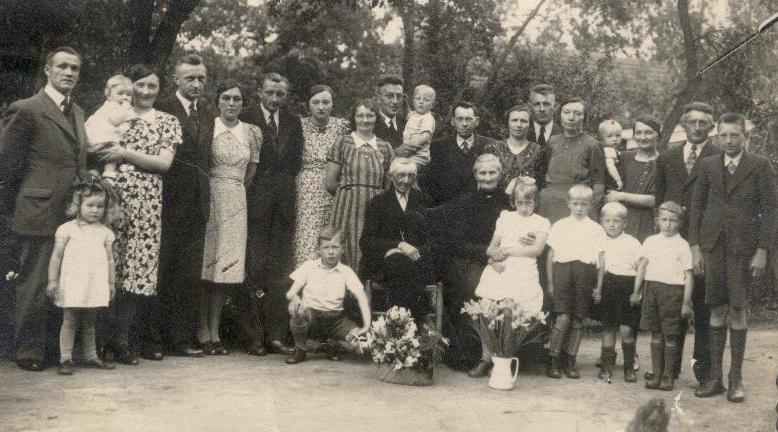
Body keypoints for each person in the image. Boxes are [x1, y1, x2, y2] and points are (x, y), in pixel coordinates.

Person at [0, 46, 88, 371]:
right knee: (35, 283)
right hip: (37, 211)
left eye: (75, 68)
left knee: (61, 282)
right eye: (63, 66)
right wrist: (18, 207)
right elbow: (7, 167)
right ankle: (28, 352)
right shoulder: (27, 109)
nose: (69, 73)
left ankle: (53, 349)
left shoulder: (77, 111)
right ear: (48, 71)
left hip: (70, 213)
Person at [96, 64, 181, 364]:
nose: (145, 92)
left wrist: (125, 155)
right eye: (140, 86)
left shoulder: (167, 121)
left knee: (137, 271)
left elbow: (163, 164)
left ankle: (121, 340)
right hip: (115, 198)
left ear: (159, 90)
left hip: (147, 202)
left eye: (152, 87)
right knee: (110, 265)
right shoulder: (115, 115)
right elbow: (97, 147)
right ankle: (100, 342)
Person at [691, 112, 777, 403]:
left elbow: (771, 209)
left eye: (734, 135)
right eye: (723, 136)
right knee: (716, 309)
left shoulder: (760, 165)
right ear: (717, 137)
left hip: (744, 250)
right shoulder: (708, 164)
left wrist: (763, 250)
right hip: (712, 246)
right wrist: (695, 248)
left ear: (745, 137)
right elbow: (697, 208)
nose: (728, 141)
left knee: (738, 311)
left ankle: (735, 378)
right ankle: (715, 376)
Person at [654, 101, 719, 384]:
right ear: (683, 124)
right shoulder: (667, 157)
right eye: (692, 122)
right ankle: (670, 370)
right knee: (672, 306)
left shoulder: (718, 156)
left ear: (711, 126)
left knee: (703, 307)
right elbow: (659, 200)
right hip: (673, 243)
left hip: (704, 244)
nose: (697, 128)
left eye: (703, 123)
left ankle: (704, 372)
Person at [239, 72, 303, 355]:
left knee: (280, 273)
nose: (275, 99)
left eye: (280, 94)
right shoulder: (245, 117)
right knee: (254, 269)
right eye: (270, 93)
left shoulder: (292, 122)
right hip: (254, 206)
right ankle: (253, 336)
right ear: (260, 92)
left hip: (284, 207)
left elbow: (294, 164)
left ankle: (276, 334)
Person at [154, 53, 213, 357]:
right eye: (190, 78)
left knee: (189, 275)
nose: (196, 83)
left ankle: (180, 339)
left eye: (201, 78)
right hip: (168, 201)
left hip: (198, 204)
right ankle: (155, 340)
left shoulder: (207, 112)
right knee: (163, 269)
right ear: (176, 79)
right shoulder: (162, 108)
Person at [198, 79, 262, 356]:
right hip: (210, 196)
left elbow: (251, 174)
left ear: (243, 103)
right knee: (207, 266)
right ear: (218, 101)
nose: (232, 103)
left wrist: (233, 189)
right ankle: (203, 330)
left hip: (237, 199)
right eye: (226, 98)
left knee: (227, 267)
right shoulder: (208, 126)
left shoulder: (252, 132)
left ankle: (216, 330)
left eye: (237, 99)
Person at [431, 154, 510, 371]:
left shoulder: (509, 202)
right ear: (475, 175)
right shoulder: (463, 202)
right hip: (471, 260)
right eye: (482, 173)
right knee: (472, 289)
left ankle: (504, 353)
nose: (487, 178)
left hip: (503, 259)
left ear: (500, 174)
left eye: (492, 172)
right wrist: (486, 253)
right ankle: (477, 355)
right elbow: (456, 243)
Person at [468, 177, 550, 378]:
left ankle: (503, 360)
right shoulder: (505, 217)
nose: (524, 207)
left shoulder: (541, 222)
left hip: (523, 270)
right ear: (514, 202)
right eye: (520, 203)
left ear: (535, 202)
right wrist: (492, 259)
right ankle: (485, 359)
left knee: (511, 314)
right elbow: (492, 247)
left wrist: (509, 250)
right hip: (501, 268)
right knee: (488, 311)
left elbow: (537, 251)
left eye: (528, 203)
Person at [47, 177, 117, 375]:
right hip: (73, 283)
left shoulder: (105, 233)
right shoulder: (67, 230)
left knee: (89, 322)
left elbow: (110, 261)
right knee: (69, 320)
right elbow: (57, 256)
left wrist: (111, 283)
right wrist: (53, 280)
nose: (95, 210)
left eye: (100, 206)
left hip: (94, 283)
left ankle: (91, 356)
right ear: (78, 205)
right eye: (90, 205)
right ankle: (66, 358)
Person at [284, 227, 371, 364]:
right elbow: (290, 293)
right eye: (326, 247)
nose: (331, 252)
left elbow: (362, 298)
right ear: (319, 249)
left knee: (360, 344)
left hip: (335, 320)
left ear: (342, 248)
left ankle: (334, 345)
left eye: (335, 247)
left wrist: (366, 326)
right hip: (311, 317)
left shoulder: (346, 271)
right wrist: (296, 299)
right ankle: (300, 350)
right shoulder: (309, 266)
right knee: (297, 309)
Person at [325, 98, 394, 270]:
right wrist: (350, 194)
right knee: (344, 248)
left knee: (370, 248)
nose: (364, 120)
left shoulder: (384, 146)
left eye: (369, 116)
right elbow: (330, 182)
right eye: (360, 115)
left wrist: (373, 198)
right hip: (346, 207)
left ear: (376, 118)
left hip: (374, 207)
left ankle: (367, 293)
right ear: (354, 118)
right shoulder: (343, 142)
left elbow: (386, 185)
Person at [545, 185, 606, 379]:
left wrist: (598, 285)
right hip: (563, 273)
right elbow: (551, 256)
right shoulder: (560, 225)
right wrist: (550, 283)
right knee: (562, 318)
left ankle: (570, 359)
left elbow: (601, 260)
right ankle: (553, 359)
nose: (579, 208)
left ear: (591, 204)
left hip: (585, 275)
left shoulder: (596, 229)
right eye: (575, 204)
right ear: (568, 203)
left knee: (579, 320)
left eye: (584, 204)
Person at [360, 157, 432, 319]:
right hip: (384, 265)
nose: (406, 181)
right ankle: (409, 323)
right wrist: (397, 246)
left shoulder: (424, 201)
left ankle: (397, 324)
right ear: (391, 177)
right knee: (398, 262)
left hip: (418, 262)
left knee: (403, 265)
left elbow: (433, 240)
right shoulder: (377, 203)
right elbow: (366, 241)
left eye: (410, 176)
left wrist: (415, 251)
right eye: (401, 175)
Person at [633, 201, 693, 391]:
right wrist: (637, 290)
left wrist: (685, 303)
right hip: (652, 290)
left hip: (673, 293)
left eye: (672, 220)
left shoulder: (682, 245)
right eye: (664, 219)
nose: (667, 224)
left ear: (679, 223)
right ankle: (656, 374)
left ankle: (668, 376)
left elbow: (689, 276)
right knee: (655, 334)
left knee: (670, 335)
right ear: (657, 220)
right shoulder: (651, 241)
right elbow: (642, 267)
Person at [293, 84, 349, 266]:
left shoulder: (341, 126)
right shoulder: (298, 126)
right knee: (308, 238)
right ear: (308, 105)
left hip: (334, 187)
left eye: (326, 102)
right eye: (316, 102)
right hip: (307, 190)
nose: (321, 107)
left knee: (333, 237)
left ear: (333, 104)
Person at [592, 202, 642, 383]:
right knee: (608, 328)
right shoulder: (600, 241)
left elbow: (639, 268)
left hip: (627, 286)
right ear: (601, 222)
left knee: (627, 329)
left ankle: (629, 368)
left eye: (616, 221)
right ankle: (606, 367)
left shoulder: (632, 242)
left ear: (625, 223)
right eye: (607, 220)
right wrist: (597, 289)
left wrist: (637, 291)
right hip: (608, 286)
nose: (612, 224)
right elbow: (599, 268)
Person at [539, 97, 605, 224]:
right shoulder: (553, 141)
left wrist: (592, 210)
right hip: (549, 204)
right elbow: (544, 173)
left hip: (577, 205)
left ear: (584, 118)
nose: (571, 117)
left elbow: (599, 183)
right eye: (566, 112)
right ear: (560, 115)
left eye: (577, 113)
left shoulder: (592, 145)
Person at [422, 101, 497, 206]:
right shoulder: (437, 147)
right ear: (453, 121)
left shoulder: (491, 146)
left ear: (477, 121)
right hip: (446, 211)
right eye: (460, 119)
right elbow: (430, 183)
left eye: (469, 119)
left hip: (481, 208)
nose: (464, 124)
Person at [604, 115, 660, 243]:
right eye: (639, 133)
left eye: (649, 133)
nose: (643, 137)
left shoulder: (663, 163)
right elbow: (609, 189)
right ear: (634, 136)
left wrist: (622, 196)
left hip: (646, 225)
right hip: (617, 223)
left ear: (658, 135)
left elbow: (656, 199)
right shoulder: (623, 158)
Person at [484, 104, 545, 193]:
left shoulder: (539, 151)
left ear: (530, 124)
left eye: (523, 121)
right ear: (508, 123)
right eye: (514, 120)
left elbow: (541, 185)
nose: (518, 125)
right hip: (497, 202)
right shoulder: (492, 149)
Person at [85, 75, 133, 182]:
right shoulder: (111, 107)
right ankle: (109, 176)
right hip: (102, 137)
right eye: (120, 93)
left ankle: (94, 174)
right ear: (108, 95)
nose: (125, 97)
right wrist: (125, 110)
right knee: (112, 153)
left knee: (100, 161)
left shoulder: (117, 107)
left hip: (102, 138)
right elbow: (115, 121)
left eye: (129, 95)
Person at [402, 84, 436, 169]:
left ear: (432, 105)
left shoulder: (427, 118)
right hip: (409, 154)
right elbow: (408, 113)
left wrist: (410, 146)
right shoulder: (413, 114)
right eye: (418, 99)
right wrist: (405, 103)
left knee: (408, 171)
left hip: (419, 156)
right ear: (413, 102)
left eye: (426, 100)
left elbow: (425, 136)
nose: (421, 102)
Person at [372, 75, 406, 149]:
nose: (395, 101)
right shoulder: (370, 124)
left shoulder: (407, 123)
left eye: (399, 96)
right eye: (389, 96)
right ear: (379, 99)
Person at [526, 83, 562, 148]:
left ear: (555, 107)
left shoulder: (564, 134)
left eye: (546, 104)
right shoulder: (523, 134)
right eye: (537, 104)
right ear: (530, 107)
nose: (542, 109)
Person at [598, 119, 625, 191]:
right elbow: (610, 166)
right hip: (612, 182)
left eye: (618, 135)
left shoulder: (613, 150)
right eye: (610, 136)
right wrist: (618, 180)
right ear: (602, 138)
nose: (615, 139)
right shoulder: (609, 150)